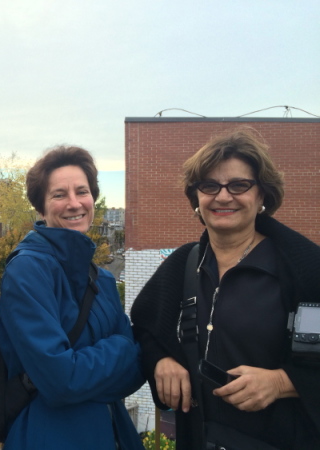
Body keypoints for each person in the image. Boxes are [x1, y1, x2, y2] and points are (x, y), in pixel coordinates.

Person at [131, 128, 320, 449]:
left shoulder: (304, 271)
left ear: (261, 195)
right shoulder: (184, 264)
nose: (222, 196)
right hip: (199, 439)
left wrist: (282, 383)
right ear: (197, 197)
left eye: (239, 185)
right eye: (209, 185)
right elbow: (145, 330)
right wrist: (161, 360)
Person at [0, 145, 145, 449]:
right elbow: (60, 381)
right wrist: (121, 347)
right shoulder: (27, 270)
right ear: (41, 207)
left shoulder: (101, 278)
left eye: (82, 191)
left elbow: (136, 370)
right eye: (59, 194)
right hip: (49, 436)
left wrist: (91, 370)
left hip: (111, 432)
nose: (74, 203)